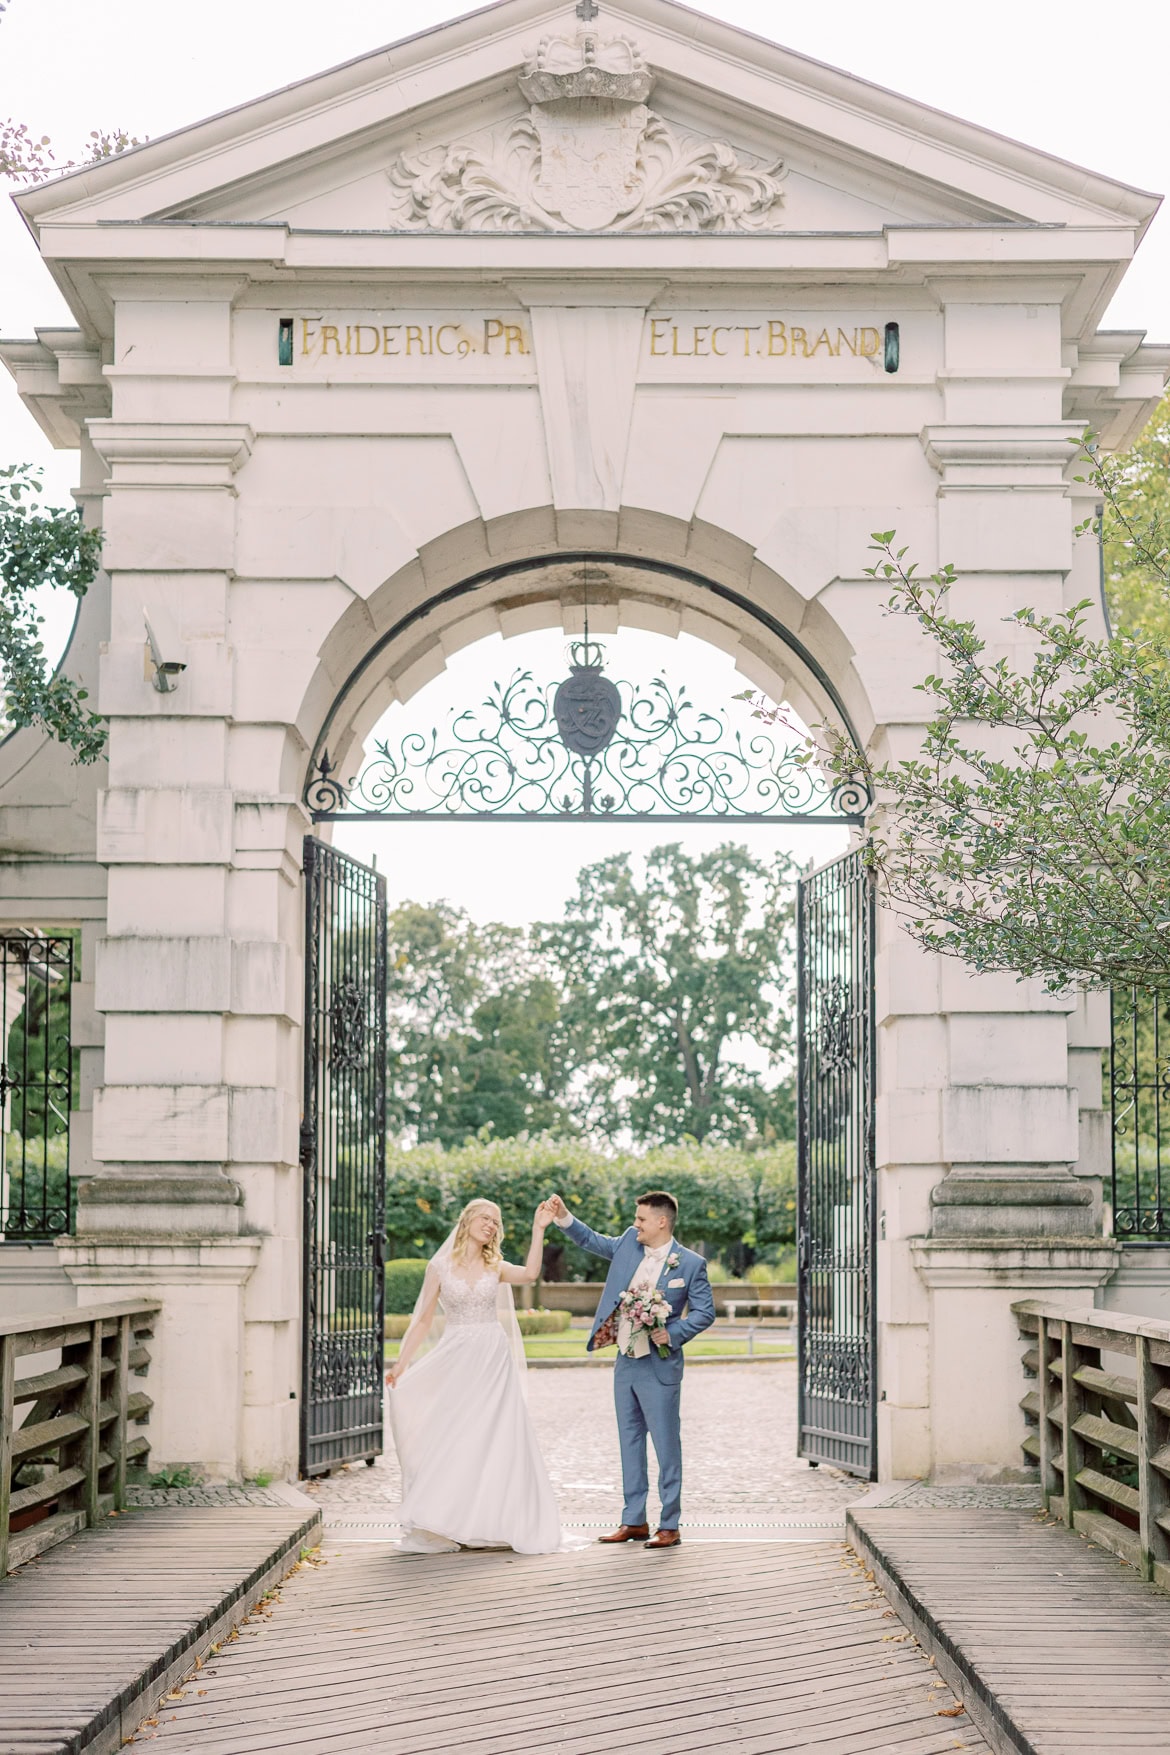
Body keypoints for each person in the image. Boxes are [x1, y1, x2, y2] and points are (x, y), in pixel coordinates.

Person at [385, 1196, 562, 1554]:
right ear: (467, 1221)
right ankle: (449, 1519)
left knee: (493, 1434)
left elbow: (529, 1274)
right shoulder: (439, 1267)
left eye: (496, 1222)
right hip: (457, 1355)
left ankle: (492, 1521)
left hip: (492, 1357)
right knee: (455, 1433)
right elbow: (422, 1320)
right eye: (486, 1217)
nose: (491, 1225)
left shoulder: (494, 1266)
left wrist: (538, 1229)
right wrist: (402, 1363)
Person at [544, 1189, 714, 1548]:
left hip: (660, 1366)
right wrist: (563, 1215)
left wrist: (674, 1332)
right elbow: (589, 1239)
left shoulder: (690, 1264)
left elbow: (704, 1312)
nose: (635, 1224)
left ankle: (670, 1524)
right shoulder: (627, 1244)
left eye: (641, 1219)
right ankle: (633, 1520)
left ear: (661, 1221)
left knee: (667, 1446)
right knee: (630, 1442)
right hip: (625, 1362)